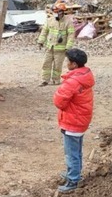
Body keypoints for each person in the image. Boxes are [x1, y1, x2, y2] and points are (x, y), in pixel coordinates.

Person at [53, 49, 94, 193]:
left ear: (74, 64)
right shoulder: (85, 75)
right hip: (80, 120)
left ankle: (73, 180)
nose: (66, 63)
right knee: (76, 151)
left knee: (71, 153)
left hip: (72, 121)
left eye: (68, 61)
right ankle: (75, 173)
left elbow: (59, 101)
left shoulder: (72, 82)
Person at [37, 1, 75, 86]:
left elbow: (71, 35)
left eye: (57, 12)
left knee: (57, 66)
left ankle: (56, 80)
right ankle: (45, 80)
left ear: (62, 12)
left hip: (61, 49)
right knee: (46, 64)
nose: (56, 14)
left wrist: (68, 47)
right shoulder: (50, 20)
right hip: (49, 47)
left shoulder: (68, 22)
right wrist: (40, 41)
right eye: (55, 12)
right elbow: (44, 32)